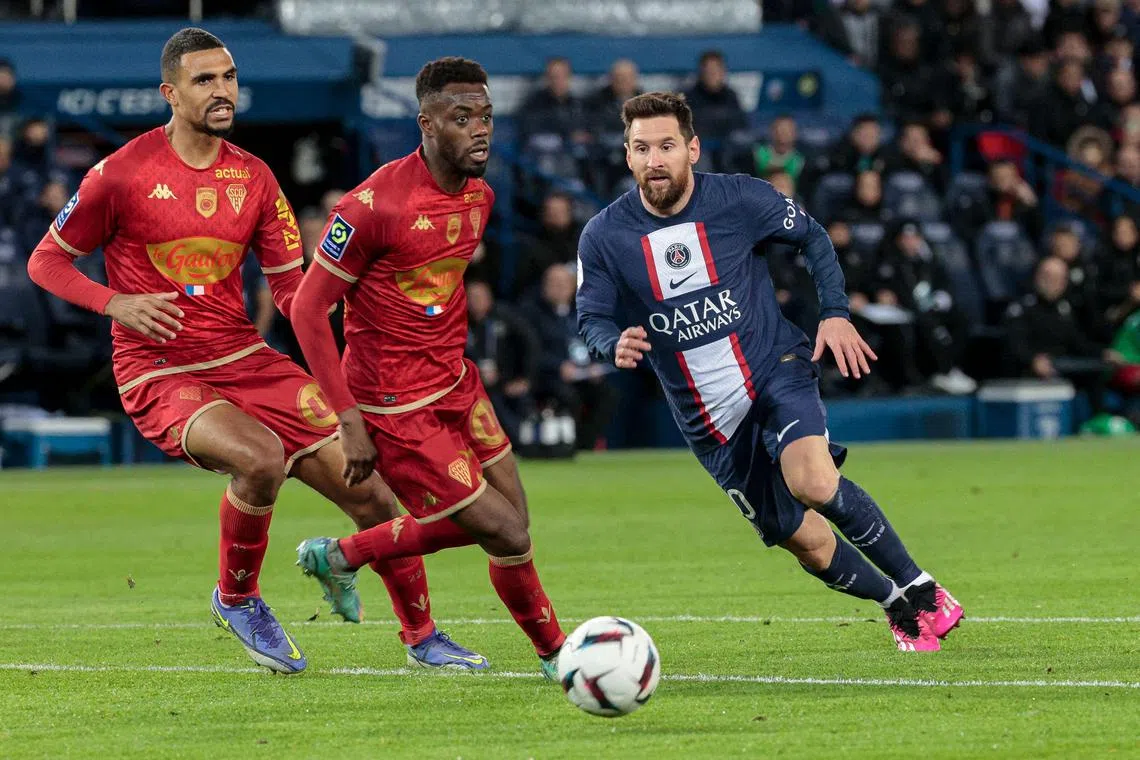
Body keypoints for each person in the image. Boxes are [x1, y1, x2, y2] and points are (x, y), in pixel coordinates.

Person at [24, 28, 480, 675]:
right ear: (170, 93)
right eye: (204, 80)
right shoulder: (119, 174)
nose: (221, 90)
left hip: (245, 359)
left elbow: (295, 297)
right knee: (261, 458)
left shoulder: (256, 177)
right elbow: (46, 262)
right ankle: (236, 597)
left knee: (374, 493)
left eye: (229, 77)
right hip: (159, 368)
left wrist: (354, 373)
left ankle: (424, 637)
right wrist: (114, 303)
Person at [575, 92, 963, 651]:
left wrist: (834, 313)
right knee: (803, 540)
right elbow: (591, 314)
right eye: (642, 148)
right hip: (709, 422)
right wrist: (612, 343)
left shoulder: (741, 198)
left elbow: (813, 236)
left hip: (773, 369)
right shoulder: (604, 235)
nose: (654, 159)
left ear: (692, 148)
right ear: (627, 155)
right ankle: (894, 603)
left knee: (811, 479)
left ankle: (923, 589)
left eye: (665, 146)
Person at [288, 58, 568, 677]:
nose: (480, 130)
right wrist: (349, 418)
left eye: (487, 116)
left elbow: (435, 294)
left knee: (514, 525)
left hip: (457, 384)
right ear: (427, 124)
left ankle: (342, 554)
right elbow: (308, 310)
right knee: (507, 533)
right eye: (462, 117)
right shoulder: (371, 207)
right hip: (395, 406)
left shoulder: (481, 197)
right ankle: (560, 655)